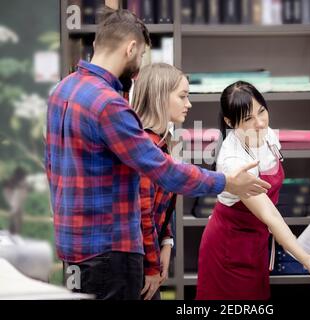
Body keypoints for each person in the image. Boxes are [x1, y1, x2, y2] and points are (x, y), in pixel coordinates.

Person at [45, 8, 270, 300]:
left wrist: (165, 241)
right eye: (140, 58)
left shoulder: (61, 91)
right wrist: (226, 182)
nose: (138, 70)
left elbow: (51, 166)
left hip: (73, 247)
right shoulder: (108, 104)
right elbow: (163, 171)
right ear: (131, 48)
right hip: (109, 251)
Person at [196, 81, 310, 300]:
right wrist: (304, 257)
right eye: (248, 118)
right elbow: (269, 214)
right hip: (229, 247)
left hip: (257, 244)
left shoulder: (268, 135)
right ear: (230, 122)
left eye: (261, 111)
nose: (259, 123)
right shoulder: (233, 160)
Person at [131, 63, 192, 300]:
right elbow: (143, 215)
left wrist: (166, 241)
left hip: (150, 255)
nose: (188, 104)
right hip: (138, 265)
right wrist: (152, 267)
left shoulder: (163, 143)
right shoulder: (145, 147)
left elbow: (161, 206)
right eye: (183, 97)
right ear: (159, 97)